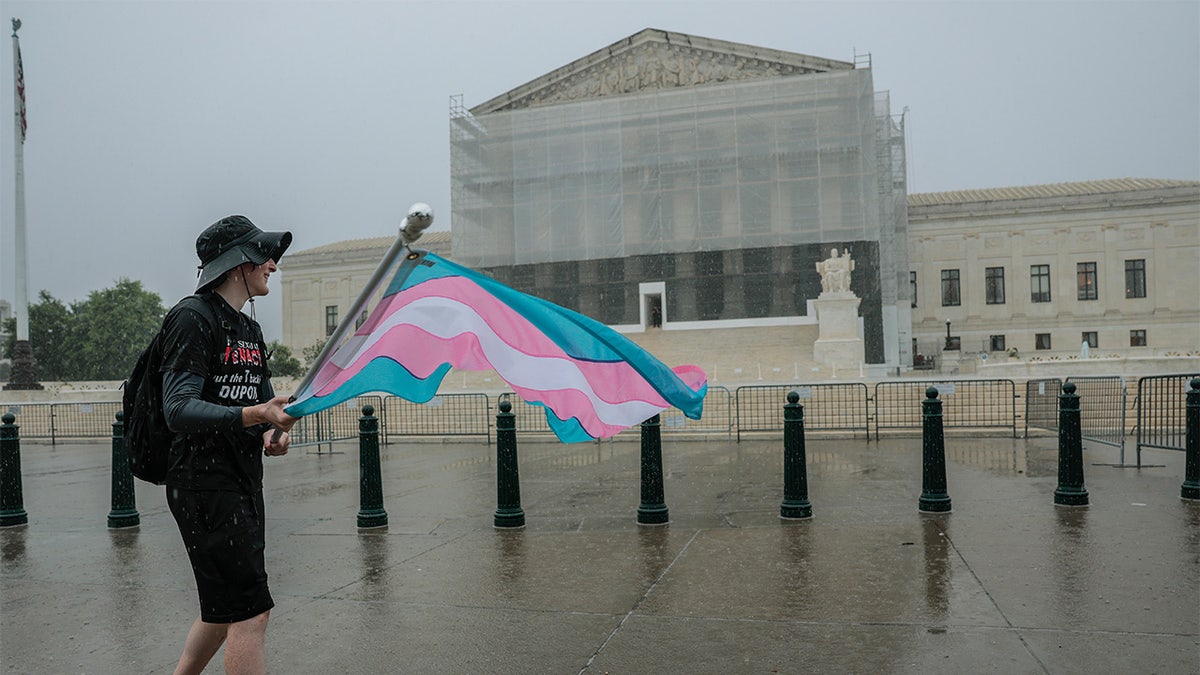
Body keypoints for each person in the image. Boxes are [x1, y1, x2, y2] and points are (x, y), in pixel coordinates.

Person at [162, 215, 298, 675]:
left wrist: (270, 431)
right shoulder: (191, 318)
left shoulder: (249, 332)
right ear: (238, 262)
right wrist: (256, 415)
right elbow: (177, 409)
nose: (272, 265)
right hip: (202, 484)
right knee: (250, 612)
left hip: (241, 481)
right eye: (264, 255)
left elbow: (257, 403)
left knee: (224, 609)